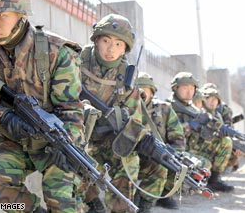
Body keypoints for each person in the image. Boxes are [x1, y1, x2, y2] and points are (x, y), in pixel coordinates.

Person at [0, 0, 85, 212]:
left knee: (60, 198)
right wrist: (3, 117)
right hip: (16, 137)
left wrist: (67, 145)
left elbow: (71, 111)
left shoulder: (57, 51)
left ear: (21, 14)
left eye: (1, 16)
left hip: (55, 141)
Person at [79, 14, 167, 213]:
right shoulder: (76, 62)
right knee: (72, 162)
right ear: (96, 39)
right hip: (79, 137)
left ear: (125, 48)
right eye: (106, 41)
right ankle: (94, 205)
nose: (111, 49)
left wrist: (144, 141)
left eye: (119, 44)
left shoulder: (126, 77)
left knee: (129, 159)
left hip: (110, 140)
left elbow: (135, 119)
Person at [167, 72, 234, 192]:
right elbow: (168, 134)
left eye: (192, 88)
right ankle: (176, 185)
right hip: (174, 150)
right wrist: (191, 125)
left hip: (192, 148)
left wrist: (214, 131)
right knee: (205, 163)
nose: (189, 91)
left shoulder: (193, 109)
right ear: (175, 88)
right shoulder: (167, 107)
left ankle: (214, 181)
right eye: (185, 88)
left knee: (225, 141)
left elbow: (202, 134)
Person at [137, 73, 186, 210]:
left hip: (156, 157)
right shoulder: (125, 109)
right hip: (128, 157)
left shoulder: (164, 109)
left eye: (144, 91)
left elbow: (178, 139)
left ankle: (147, 202)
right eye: (137, 90)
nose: (141, 95)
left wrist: (170, 154)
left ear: (152, 93)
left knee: (172, 163)